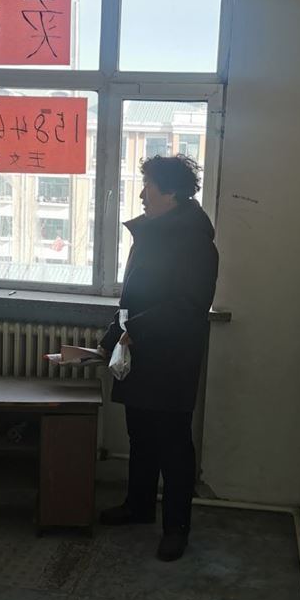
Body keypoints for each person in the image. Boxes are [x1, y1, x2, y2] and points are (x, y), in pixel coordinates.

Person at [98, 154, 219, 562]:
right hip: (140, 353)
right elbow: (131, 299)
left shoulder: (196, 243)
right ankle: (138, 505)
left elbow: (189, 306)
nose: (141, 195)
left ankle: (176, 528)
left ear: (171, 193)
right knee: (141, 436)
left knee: (174, 445)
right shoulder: (152, 234)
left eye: (148, 186)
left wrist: (134, 331)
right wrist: (108, 341)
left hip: (171, 360)